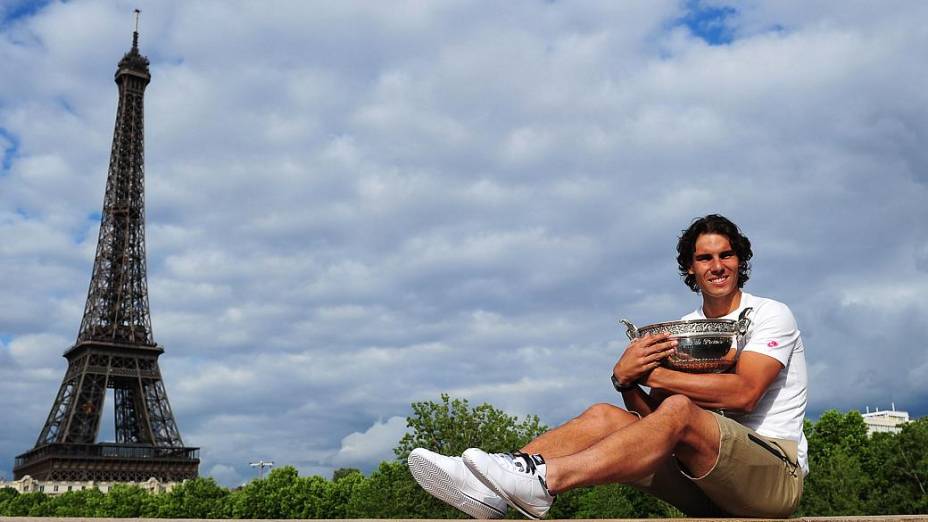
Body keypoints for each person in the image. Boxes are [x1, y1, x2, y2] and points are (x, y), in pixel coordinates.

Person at [408, 214, 808, 519]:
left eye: (726, 255)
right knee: (605, 415)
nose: (717, 265)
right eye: (705, 258)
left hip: (771, 477)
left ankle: (545, 480)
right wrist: (625, 381)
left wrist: (651, 373)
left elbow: (745, 393)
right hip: (704, 484)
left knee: (681, 410)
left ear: (740, 260)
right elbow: (654, 425)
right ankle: (491, 491)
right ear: (690, 267)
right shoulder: (682, 330)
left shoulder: (770, 314)